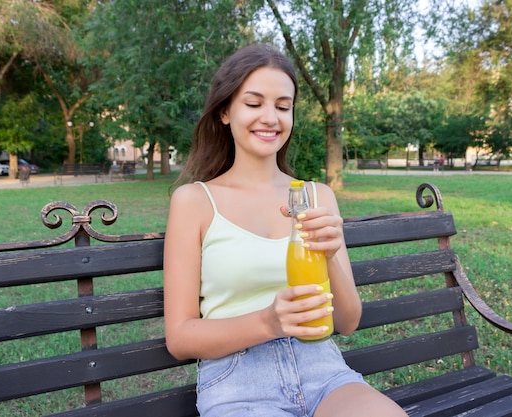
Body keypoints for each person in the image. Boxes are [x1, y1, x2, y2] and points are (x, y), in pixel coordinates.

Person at [163, 43, 408, 417]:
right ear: (226, 111)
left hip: (324, 372)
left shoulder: (316, 196)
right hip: (237, 380)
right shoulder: (194, 201)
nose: (270, 118)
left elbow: (347, 321)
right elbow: (180, 337)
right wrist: (268, 321)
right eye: (254, 103)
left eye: (282, 106)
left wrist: (328, 257)